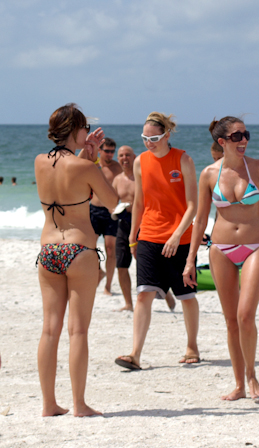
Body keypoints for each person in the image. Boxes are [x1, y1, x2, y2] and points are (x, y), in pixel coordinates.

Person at [184, 116, 259, 400]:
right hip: (221, 249)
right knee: (231, 320)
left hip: (256, 246)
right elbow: (199, 220)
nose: (243, 140)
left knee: (245, 315)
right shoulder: (209, 174)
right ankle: (239, 385)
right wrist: (190, 259)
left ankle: (252, 375)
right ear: (222, 142)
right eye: (236, 136)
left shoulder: (258, 169)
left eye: (246, 135)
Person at [36, 103, 118, 416]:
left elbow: (65, 178)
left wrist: (87, 153)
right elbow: (112, 202)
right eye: (84, 128)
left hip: (48, 251)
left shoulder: (39, 161)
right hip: (79, 251)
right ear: (75, 130)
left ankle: (48, 405)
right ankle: (79, 404)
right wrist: (93, 157)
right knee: (78, 331)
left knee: (49, 330)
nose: (87, 133)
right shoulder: (87, 166)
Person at [115, 112, 200, 371]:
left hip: (181, 239)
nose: (148, 142)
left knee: (186, 295)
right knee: (143, 296)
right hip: (149, 236)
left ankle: (192, 346)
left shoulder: (183, 160)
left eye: (153, 138)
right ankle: (135, 354)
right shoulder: (140, 162)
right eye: (144, 138)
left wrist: (176, 235)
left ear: (167, 136)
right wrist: (133, 235)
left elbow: (193, 205)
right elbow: (139, 201)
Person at [90, 137, 122, 295]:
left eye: (112, 151)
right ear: (100, 150)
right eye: (107, 151)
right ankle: (98, 271)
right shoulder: (93, 165)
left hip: (112, 212)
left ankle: (108, 285)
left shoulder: (118, 168)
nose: (110, 154)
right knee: (88, 247)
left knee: (110, 250)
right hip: (94, 210)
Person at [111, 146, 137, 311]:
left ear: (134, 157)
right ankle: (128, 303)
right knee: (121, 265)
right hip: (123, 224)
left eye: (128, 154)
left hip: (141, 223)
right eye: (121, 155)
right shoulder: (117, 180)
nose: (124, 158)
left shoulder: (141, 177)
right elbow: (111, 202)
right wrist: (114, 210)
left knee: (145, 265)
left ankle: (165, 294)